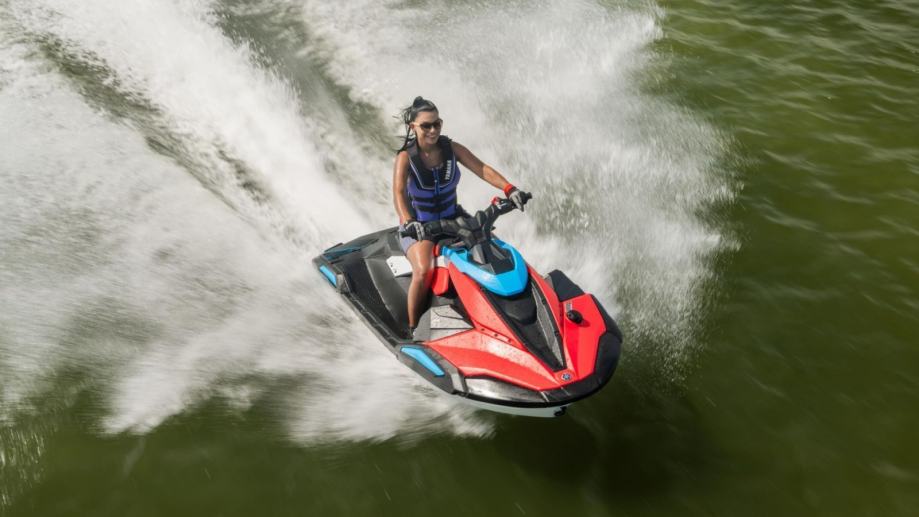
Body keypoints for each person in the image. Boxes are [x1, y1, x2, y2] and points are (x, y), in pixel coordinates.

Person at [392, 96, 530, 337]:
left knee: (495, 253)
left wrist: (509, 189)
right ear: (413, 127)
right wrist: (409, 221)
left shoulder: (452, 148)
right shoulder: (405, 157)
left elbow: (482, 168)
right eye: (426, 125)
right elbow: (399, 193)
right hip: (421, 226)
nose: (433, 130)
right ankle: (412, 331)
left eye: (437, 123)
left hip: (454, 219)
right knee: (423, 271)